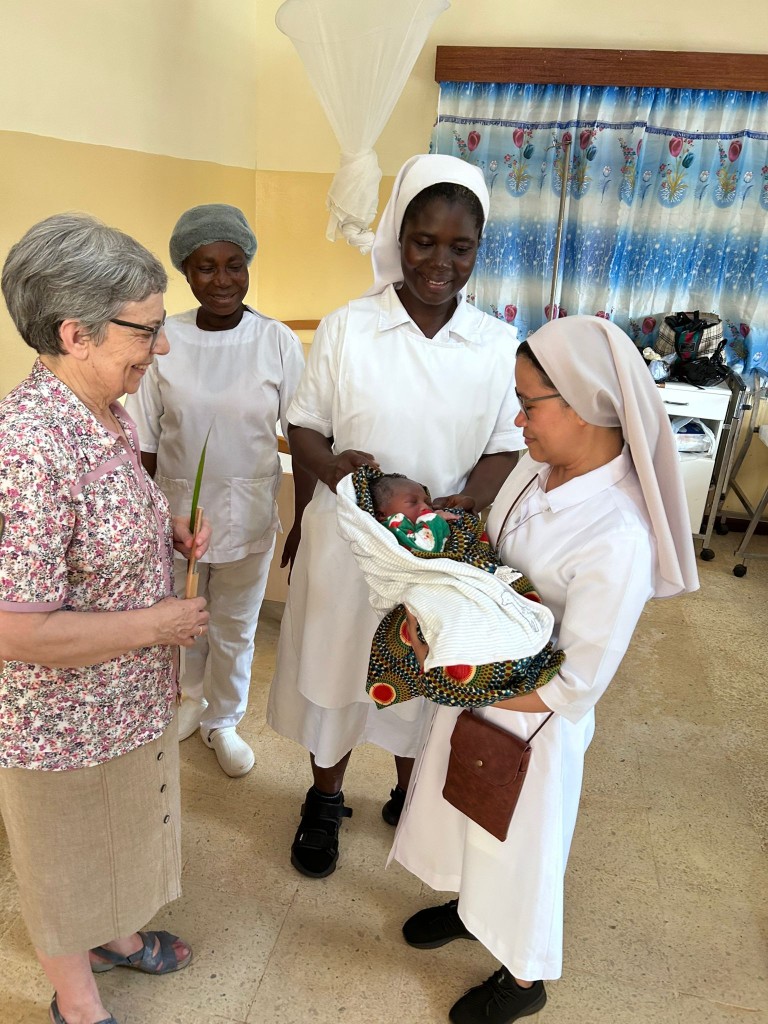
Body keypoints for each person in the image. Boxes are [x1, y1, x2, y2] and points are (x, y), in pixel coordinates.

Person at [391, 316, 699, 1024]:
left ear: (589, 405)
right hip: (478, 680)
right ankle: (471, 911)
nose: (518, 420)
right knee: (464, 810)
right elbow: (500, 555)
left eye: (530, 405)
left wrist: (459, 679)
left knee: (518, 845)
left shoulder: (616, 535)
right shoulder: (536, 468)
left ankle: (524, 978)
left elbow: (577, 683)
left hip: (533, 717)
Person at [267, 153, 526, 879]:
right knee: (342, 664)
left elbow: (506, 445)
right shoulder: (350, 328)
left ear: (478, 249)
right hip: (348, 541)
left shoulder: (495, 344)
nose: (439, 262)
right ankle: (324, 801)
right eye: (424, 241)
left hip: (434, 550)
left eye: (460, 246)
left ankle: (411, 795)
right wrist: (345, 476)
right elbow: (306, 428)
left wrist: (473, 496)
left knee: (422, 669)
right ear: (397, 238)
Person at [0, 213, 211, 1024]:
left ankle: (118, 936)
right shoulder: (28, 445)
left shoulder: (103, 411)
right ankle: (77, 1001)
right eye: (148, 331)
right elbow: (17, 629)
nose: (159, 350)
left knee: (123, 826)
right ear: (76, 333)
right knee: (63, 857)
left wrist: (166, 529)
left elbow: (96, 527)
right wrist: (157, 624)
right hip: (59, 719)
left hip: (121, 698)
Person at [125, 204, 308, 777]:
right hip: (176, 516)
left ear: (248, 266)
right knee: (184, 621)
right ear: (185, 270)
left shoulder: (276, 341)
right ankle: (188, 700)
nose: (222, 280)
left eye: (234, 265)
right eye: (206, 267)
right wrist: (142, 517)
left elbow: (302, 438)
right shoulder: (165, 341)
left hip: (251, 512)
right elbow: (146, 439)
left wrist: (302, 518)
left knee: (235, 626)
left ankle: (222, 720)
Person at [341, 468, 563, 711]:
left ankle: (492, 660)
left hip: (448, 580)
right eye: (412, 502)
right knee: (452, 620)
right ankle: (468, 667)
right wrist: (435, 520)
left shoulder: (412, 521)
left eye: (426, 500)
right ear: (383, 514)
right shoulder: (392, 528)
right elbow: (426, 546)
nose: (424, 506)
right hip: (423, 582)